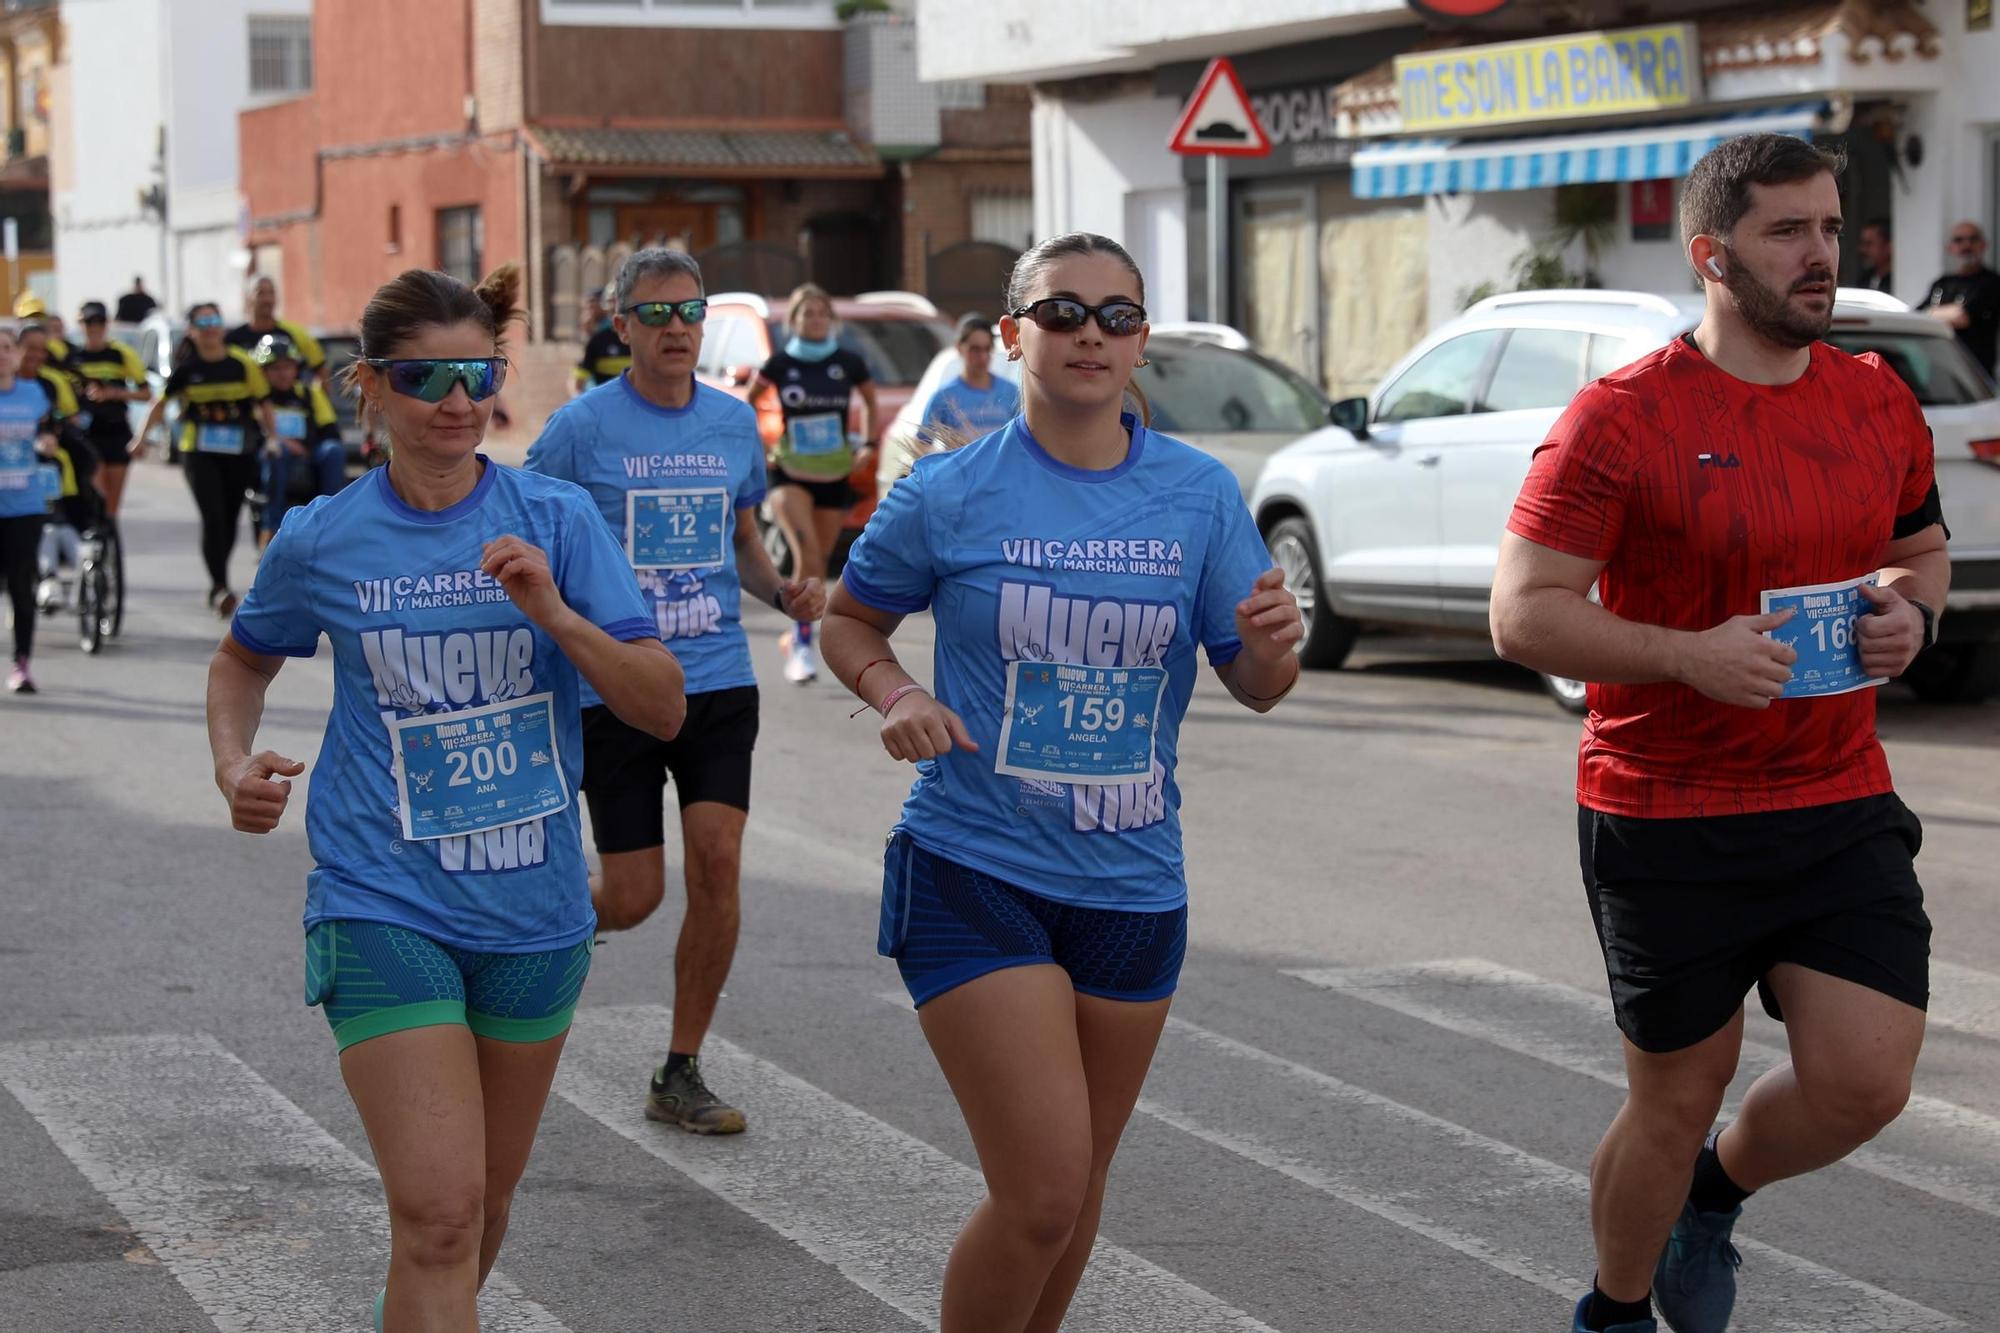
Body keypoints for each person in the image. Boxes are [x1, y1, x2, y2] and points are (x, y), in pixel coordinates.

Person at [1488, 134, 1950, 1333]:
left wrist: (1910, 613)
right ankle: (1613, 1308)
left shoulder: (1875, 398)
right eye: (1784, 232)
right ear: (1710, 255)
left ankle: (1714, 1195)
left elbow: (1917, 549)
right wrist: (1685, 654)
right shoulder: (1618, 419)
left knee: (1864, 1080)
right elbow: (1521, 612)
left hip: (1832, 791)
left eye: (1828, 229)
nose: (1818, 257)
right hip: (1663, 806)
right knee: (1675, 1093)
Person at [822, 232, 1303, 1333]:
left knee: (1075, 1188)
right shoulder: (949, 491)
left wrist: (1277, 640)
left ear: (1141, 344)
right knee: (1039, 1190)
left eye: (1118, 316)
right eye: (1062, 312)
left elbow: (1258, 682)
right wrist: (897, 695)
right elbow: (853, 619)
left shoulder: (1194, 494)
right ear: (1010, 335)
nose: (1091, 332)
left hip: (1132, 885)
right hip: (974, 868)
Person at [207, 263, 685, 1333]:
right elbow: (240, 663)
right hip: (383, 900)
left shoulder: (553, 518)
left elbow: (660, 708)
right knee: (435, 1212)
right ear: (369, 387)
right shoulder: (323, 537)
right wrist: (233, 763)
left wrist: (557, 616)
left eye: (476, 372)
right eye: (426, 377)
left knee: (479, 1208)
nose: (457, 399)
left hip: (536, 912)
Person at [526, 248, 826, 1134]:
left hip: (720, 679)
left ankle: (680, 1069)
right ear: (621, 326)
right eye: (654, 315)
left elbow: (742, 546)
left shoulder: (734, 427)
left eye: (688, 313)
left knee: (719, 865)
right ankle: (526, 926)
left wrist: (785, 591)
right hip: (617, 687)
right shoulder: (580, 429)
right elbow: (525, 526)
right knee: (633, 895)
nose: (675, 329)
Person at [749, 283, 878, 684]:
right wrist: (761, 447)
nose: (815, 319)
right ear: (794, 321)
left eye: (822, 312)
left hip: (833, 472)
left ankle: (794, 635)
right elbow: (748, 402)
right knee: (805, 554)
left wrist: (869, 444)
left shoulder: (848, 362)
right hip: (789, 472)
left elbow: (871, 403)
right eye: (807, 313)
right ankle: (803, 646)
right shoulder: (780, 363)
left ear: (831, 320)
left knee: (819, 562)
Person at [138, 303, 278, 617]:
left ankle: (218, 580)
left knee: (229, 519)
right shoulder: (187, 369)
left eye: (215, 320)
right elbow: (160, 406)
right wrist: (140, 440)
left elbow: (264, 402)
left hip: (238, 451)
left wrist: (273, 438)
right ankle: (219, 586)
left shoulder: (242, 364)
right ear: (192, 330)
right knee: (212, 516)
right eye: (203, 322)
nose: (210, 327)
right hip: (198, 453)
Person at [0, 326, 63, 693]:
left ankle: (21, 663)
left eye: (7, 348)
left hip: (25, 506)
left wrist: (49, 442)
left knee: (21, 586)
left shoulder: (34, 393)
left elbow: (49, 432)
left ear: (16, 354)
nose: (2, 355)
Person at [254, 332, 348, 546]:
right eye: (275, 368)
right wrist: (283, 443)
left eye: (287, 367)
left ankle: (330, 523)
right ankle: (272, 527)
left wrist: (306, 448)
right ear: (263, 372)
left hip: (309, 455)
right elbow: (254, 435)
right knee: (276, 451)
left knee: (333, 450)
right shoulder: (258, 398)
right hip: (274, 458)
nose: (283, 374)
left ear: (296, 368)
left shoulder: (309, 394)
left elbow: (330, 430)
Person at [68, 301, 152, 517]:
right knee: (96, 495)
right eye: (89, 322)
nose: (94, 327)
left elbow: (146, 393)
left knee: (113, 505)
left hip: (116, 430)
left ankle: (110, 542)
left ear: (107, 324)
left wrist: (115, 394)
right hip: (87, 434)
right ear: (80, 324)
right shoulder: (73, 357)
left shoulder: (121, 354)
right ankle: (97, 535)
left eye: (99, 322)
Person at [919, 313, 1021, 446]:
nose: (982, 357)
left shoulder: (1011, 392)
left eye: (987, 349)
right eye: (975, 349)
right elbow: (922, 444)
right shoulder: (944, 397)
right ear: (959, 347)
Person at [1922, 220, 2000, 377]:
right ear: (1950, 248)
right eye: (1959, 240)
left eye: (1973, 239)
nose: (1966, 246)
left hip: (1975, 376)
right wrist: (1938, 314)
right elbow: (1917, 315)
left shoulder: (1991, 282)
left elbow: (1961, 316)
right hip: (1940, 373)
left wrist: (1932, 314)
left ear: (1984, 245)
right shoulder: (1942, 283)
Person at [228, 276, 327, 384]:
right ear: (247, 298)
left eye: (271, 293)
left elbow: (321, 371)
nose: (267, 299)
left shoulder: (296, 334)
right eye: (260, 293)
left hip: (290, 400)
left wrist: (313, 398)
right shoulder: (233, 340)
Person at [571, 285, 628, 397]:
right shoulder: (598, 338)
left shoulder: (642, 338)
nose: (614, 306)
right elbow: (578, 379)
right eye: (611, 302)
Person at [1856, 219, 1893, 294]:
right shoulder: (1863, 280)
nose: (1862, 250)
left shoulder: (1897, 282)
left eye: (1868, 244)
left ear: (1888, 247)